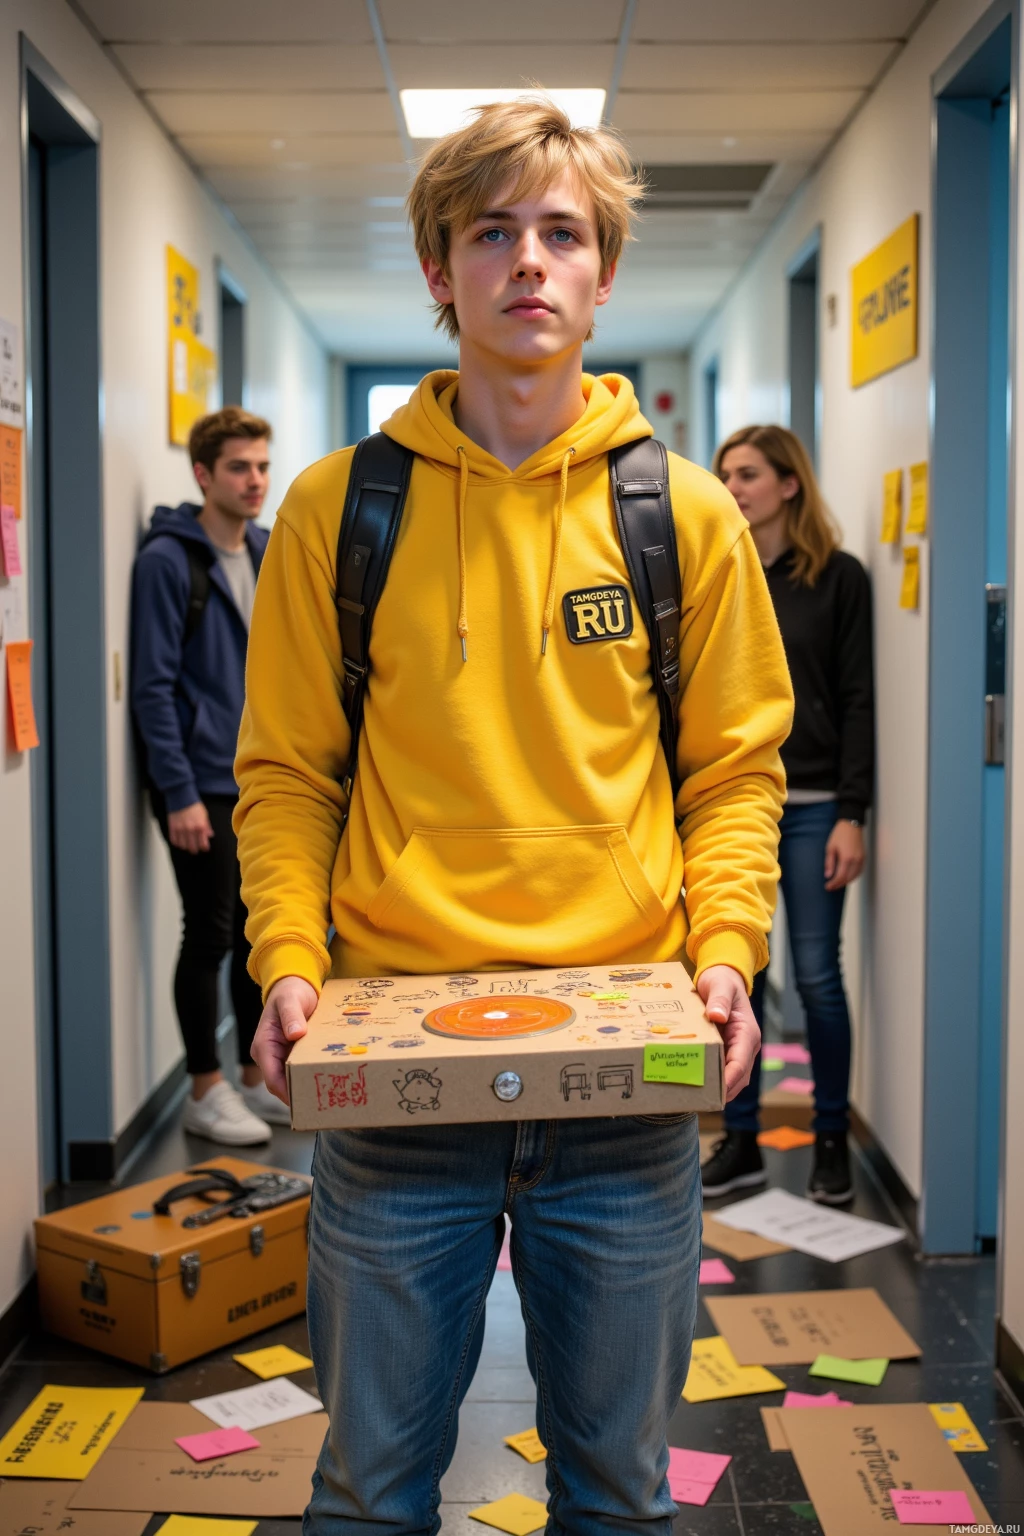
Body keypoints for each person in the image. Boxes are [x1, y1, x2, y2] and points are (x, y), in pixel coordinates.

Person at [235, 98, 793, 1535]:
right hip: (395, 1074)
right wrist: (287, 963)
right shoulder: (332, 513)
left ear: (603, 275)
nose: (528, 263)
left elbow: (733, 771)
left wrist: (727, 952)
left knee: (617, 1493)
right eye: (492, 233)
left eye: (561, 234)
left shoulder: (683, 514)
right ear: (440, 268)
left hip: (624, 1087)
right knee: (368, 1493)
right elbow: (290, 772)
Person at [701, 424, 874, 1206]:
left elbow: (859, 698)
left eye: (748, 474)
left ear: (788, 484)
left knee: (815, 977)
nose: (733, 487)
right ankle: (741, 1141)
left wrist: (853, 812)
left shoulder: (839, 580)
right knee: (737, 975)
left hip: (809, 811)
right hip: (730, 806)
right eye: (725, 474)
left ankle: (830, 1139)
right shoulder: (719, 569)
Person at [130, 406, 287, 1145]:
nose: (255, 480)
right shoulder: (169, 560)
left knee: (260, 932)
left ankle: (254, 1082)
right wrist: (180, 790)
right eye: (238, 467)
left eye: (261, 465)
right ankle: (204, 1087)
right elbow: (153, 687)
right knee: (210, 934)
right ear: (203, 474)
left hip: (260, 777)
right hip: (199, 782)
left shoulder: (263, 547)